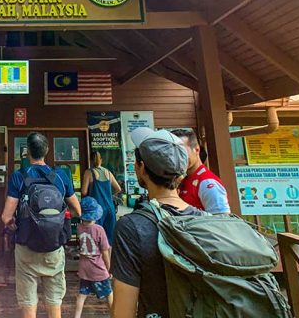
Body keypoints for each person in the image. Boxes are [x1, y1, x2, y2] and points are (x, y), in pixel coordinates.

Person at [111, 128, 204, 318]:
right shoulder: (205, 220)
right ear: (181, 174)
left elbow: (123, 311)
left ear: (141, 168)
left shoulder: (131, 227)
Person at [2, 132, 82, 318]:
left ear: (27, 152)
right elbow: (78, 211)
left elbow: (6, 216)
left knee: (28, 300)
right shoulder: (61, 176)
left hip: (26, 246)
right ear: (47, 151)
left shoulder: (18, 176)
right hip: (53, 247)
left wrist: (13, 224)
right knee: (54, 300)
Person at [169, 129, 230, 214]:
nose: (179, 157)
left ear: (197, 150)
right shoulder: (183, 179)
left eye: (182, 151)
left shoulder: (207, 182)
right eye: (174, 152)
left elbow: (222, 222)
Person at [74, 197, 113, 318]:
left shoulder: (79, 228)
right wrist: (109, 268)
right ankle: (115, 315)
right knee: (109, 294)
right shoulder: (99, 229)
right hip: (98, 269)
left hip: (84, 269)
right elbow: (105, 252)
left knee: (81, 295)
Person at [81, 151, 122, 241]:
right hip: (110, 208)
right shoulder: (108, 173)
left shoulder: (89, 173)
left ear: (91, 160)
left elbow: (84, 192)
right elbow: (119, 189)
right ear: (101, 160)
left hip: (96, 210)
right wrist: (109, 195)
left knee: (96, 237)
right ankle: (108, 255)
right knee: (109, 238)